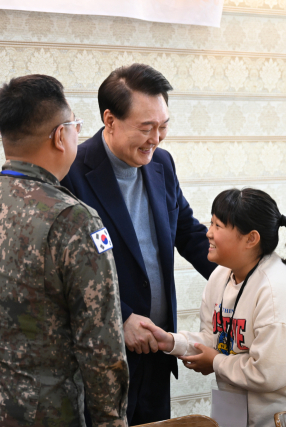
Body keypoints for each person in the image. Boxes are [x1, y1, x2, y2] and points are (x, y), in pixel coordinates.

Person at [0, 74, 129, 427]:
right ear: (61, 136)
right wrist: (111, 420)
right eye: (75, 126)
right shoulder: (73, 219)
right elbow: (101, 347)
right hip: (39, 414)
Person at [61, 63, 216, 424]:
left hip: (158, 348)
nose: (157, 139)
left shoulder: (161, 163)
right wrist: (123, 315)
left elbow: (189, 234)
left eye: (163, 127)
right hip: (104, 355)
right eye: (147, 128)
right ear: (110, 120)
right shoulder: (71, 171)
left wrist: (246, 273)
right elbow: (63, 272)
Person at [142, 188, 286, 427]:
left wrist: (215, 362)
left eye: (218, 226)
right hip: (239, 418)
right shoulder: (220, 277)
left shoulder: (278, 292)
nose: (209, 233)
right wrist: (172, 342)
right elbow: (215, 339)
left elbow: (267, 373)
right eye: (210, 223)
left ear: (251, 239)